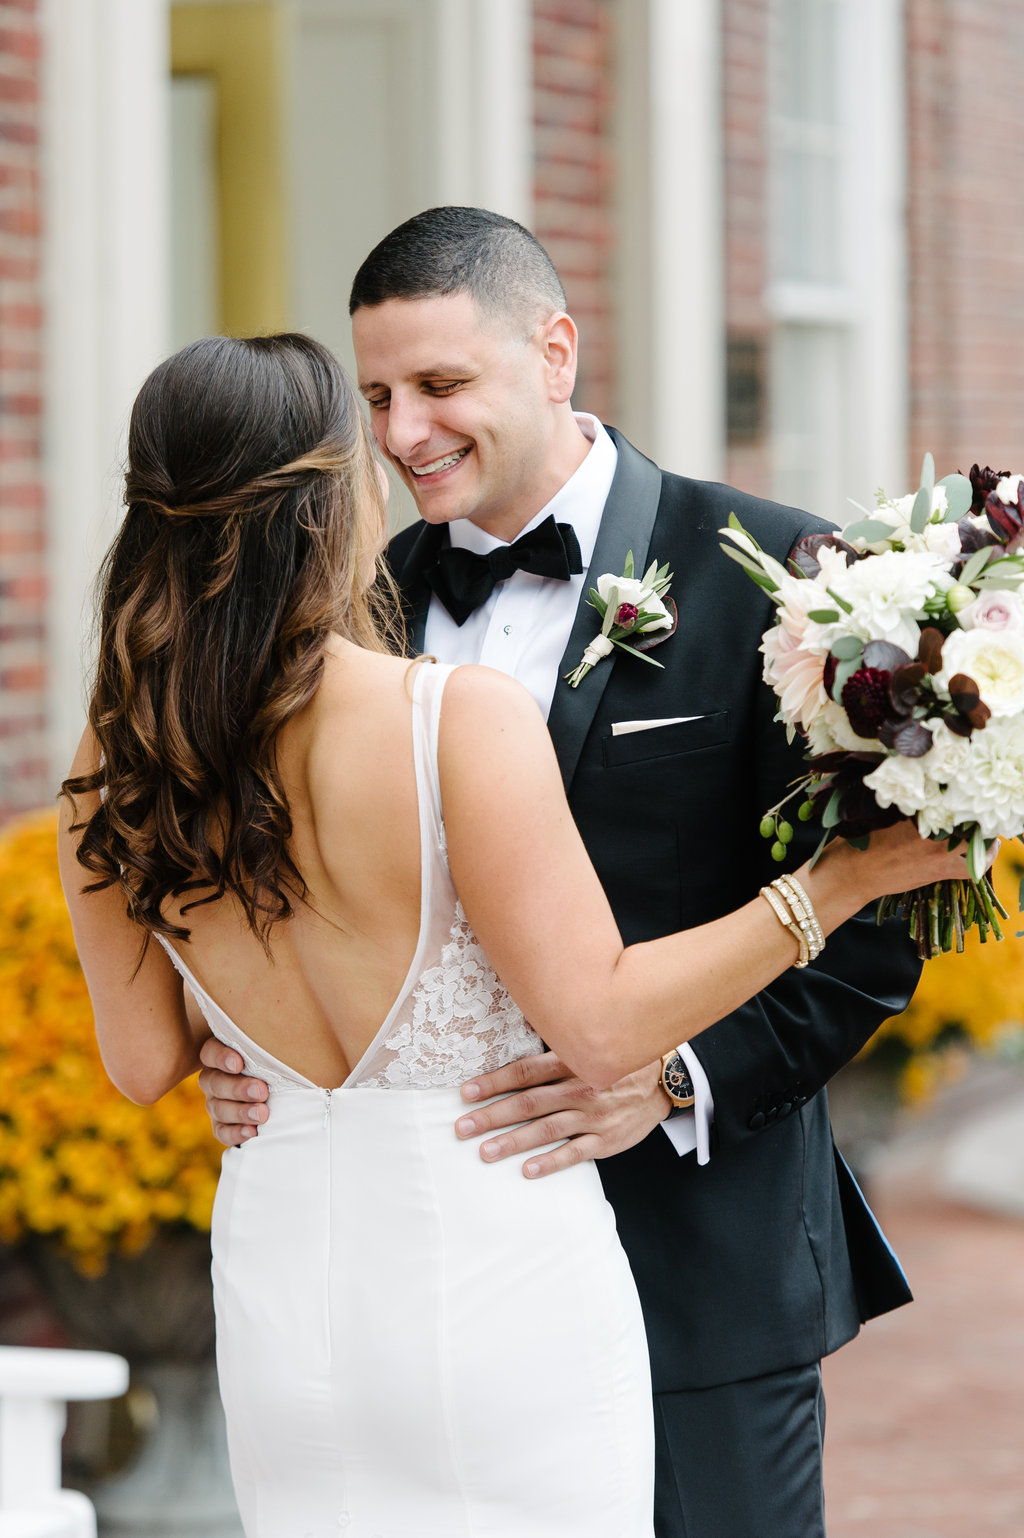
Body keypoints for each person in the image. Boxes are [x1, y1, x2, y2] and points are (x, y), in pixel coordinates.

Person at [57, 329, 972, 1538]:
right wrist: (834, 884)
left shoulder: (112, 759)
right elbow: (599, 1022)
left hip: (287, 1300)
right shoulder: (450, 718)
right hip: (495, 1276)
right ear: (332, 499)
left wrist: (240, 1003)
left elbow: (141, 1062)